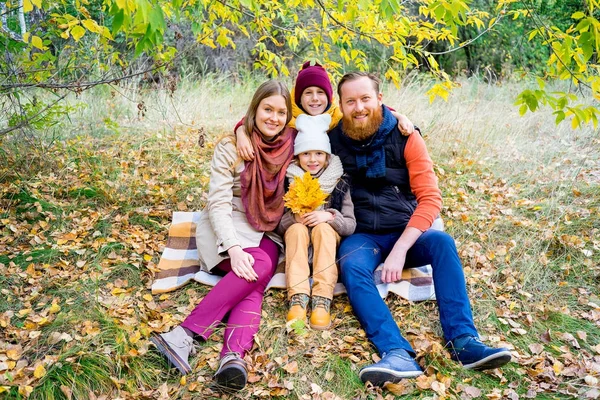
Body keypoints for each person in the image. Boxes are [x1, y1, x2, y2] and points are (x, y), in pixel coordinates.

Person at [328, 72, 512, 387]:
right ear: (341, 105)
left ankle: (463, 341)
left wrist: (400, 249)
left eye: (365, 99)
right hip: (363, 234)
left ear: (380, 99)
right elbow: (294, 135)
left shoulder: (406, 136)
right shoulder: (333, 141)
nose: (359, 107)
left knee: (441, 242)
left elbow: (430, 199)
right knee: (351, 262)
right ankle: (396, 352)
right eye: (350, 101)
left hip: (405, 230)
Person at [150, 80, 296, 391]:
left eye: (281, 112)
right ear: (254, 110)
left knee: (256, 277)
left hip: (266, 231)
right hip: (225, 225)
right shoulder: (231, 147)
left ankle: (227, 358)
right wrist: (233, 248)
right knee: (256, 272)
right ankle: (193, 337)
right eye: (267, 109)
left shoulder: (292, 146)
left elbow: (334, 117)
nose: (274, 118)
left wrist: (399, 118)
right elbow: (216, 204)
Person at [235, 61, 416, 161]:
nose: (315, 98)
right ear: (298, 97)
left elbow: (370, 111)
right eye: (308, 93)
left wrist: (399, 115)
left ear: (329, 97)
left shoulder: (337, 114)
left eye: (320, 92)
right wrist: (241, 132)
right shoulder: (289, 116)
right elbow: (254, 118)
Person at [276, 113, 356, 330]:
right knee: (295, 230)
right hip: (299, 244)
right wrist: (294, 217)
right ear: (297, 158)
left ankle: (322, 299)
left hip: (326, 242)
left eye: (319, 153)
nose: (313, 159)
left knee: (322, 229)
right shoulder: (290, 181)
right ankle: (298, 296)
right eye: (306, 154)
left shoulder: (339, 183)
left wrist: (330, 216)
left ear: (327, 156)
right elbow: (278, 224)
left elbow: (350, 224)